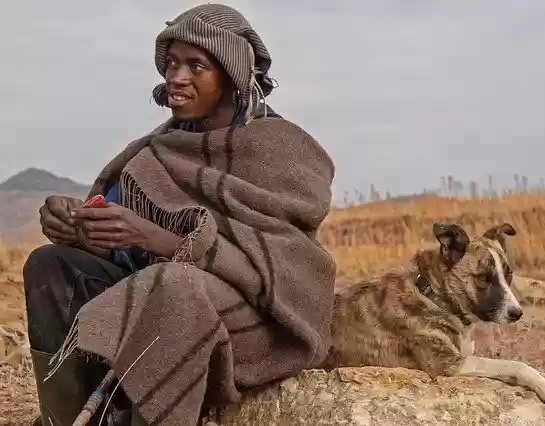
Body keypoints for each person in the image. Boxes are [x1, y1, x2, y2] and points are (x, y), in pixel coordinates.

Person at [24, 4, 337, 426]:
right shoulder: (160, 150)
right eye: (171, 63)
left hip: (252, 322)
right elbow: (128, 254)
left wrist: (161, 240)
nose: (176, 76)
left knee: (173, 284)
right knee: (49, 265)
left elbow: (280, 268)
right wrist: (80, 231)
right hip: (164, 299)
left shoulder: (280, 151)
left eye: (196, 66)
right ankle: (71, 419)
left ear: (230, 75)